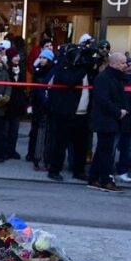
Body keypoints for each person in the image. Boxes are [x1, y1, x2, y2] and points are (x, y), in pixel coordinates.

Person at [45, 37, 99, 181]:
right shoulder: (62, 68)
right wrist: (83, 67)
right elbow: (70, 81)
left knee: (80, 145)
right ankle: (54, 170)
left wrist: (91, 60)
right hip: (64, 112)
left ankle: (79, 170)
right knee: (59, 143)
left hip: (82, 113)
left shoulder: (85, 69)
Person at [87, 51, 128, 192]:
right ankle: (105, 180)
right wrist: (118, 112)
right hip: (105, 119)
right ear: (114, 63)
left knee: (102, 150)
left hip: (111, 119)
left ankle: (94, 178)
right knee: (105, 151)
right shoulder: (104, 78)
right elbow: (103, 100)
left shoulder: (116, 77)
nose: (125, 65)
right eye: (122, 63)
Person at [28, 47, 55, 170]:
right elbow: (34, 90)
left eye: (45, 58)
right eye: (41, 57)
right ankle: (36, 158)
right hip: (39, 105)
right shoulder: (38, 71)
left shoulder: (52, 72)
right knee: (39, 132)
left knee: (45, 133)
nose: (42, 60)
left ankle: (44, 159)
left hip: (46, 104)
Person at [114, 57, 131, 183]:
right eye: (125, 64)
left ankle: (123, 171)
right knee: (113, 146)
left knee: (127, 148)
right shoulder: (117, 79)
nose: (128, 67)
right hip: (119, 117)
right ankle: (108, 171)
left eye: (130, 65)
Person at [3, 49, 27, 159]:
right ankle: (4, 150)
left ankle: (12, 150)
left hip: (17, 104)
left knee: (14, 130)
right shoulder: (5, 69)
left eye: (18, 55)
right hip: (7, 103)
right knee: (5, 130)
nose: (17, 58)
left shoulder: (21, 69)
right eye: (14, 56)